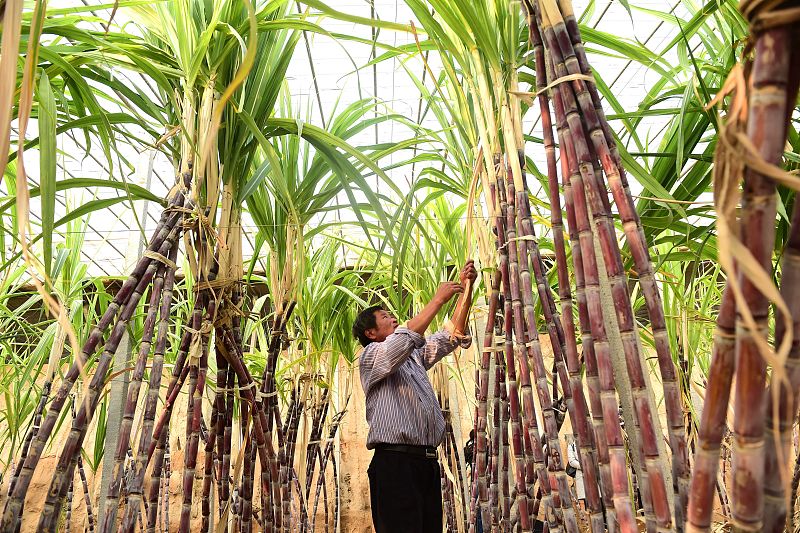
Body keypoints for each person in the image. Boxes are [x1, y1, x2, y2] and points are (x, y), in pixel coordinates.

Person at [353, 261, 477, 533]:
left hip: (425, 463)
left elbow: (450, 335)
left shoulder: (413, 357)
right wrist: (437, 300)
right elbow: (405, 336)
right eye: (385, 317)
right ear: (370, 333)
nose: (393, 319)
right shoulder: (371, 357)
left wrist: (466, 290)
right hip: (395, 465)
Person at [567, 435, 585, 511]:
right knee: (583, 498)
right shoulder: (571, 446)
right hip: (580, 473)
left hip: (594, 473)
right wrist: (585, 466)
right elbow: (572, 461)